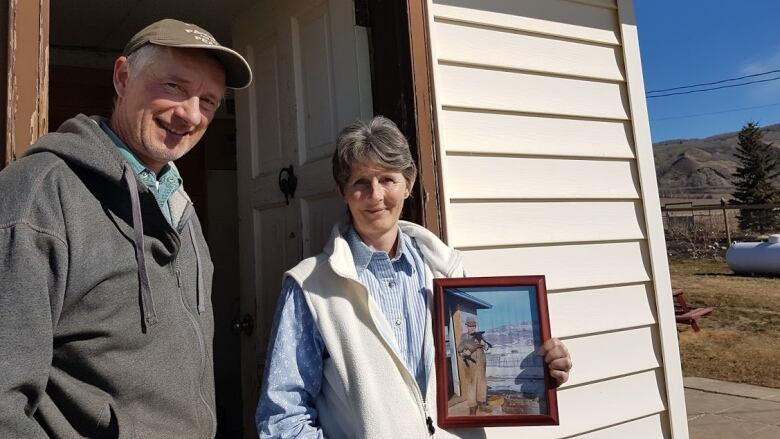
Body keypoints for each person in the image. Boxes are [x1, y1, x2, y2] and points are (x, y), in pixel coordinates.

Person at [0, 19, 251, 437]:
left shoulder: (179, 207)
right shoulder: (38, 195)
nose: (190, 114)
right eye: (174, 86)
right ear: (122, 77)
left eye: (208, 100)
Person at [255, 116, 572, 438]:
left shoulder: (447, 272)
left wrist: (537, 370)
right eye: (360, 182)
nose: (376, 195)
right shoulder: (310, 286)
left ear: (409, 183)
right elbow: (282, 417)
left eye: (388, 179)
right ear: (343, 192)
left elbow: (481, 376)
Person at [457, 316, 490, 415]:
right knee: (471, 384)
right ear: (467, 326)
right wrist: (464, 354)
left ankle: (482, 403)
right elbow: (459, 351)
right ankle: (472, 407)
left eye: (474, 326)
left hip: (481, 362)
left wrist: (484, 344)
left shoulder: (480, 335)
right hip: (470, 363)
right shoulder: (463, 337)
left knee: (482, 382)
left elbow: (487, 348)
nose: (472, 328)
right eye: (470, 326)